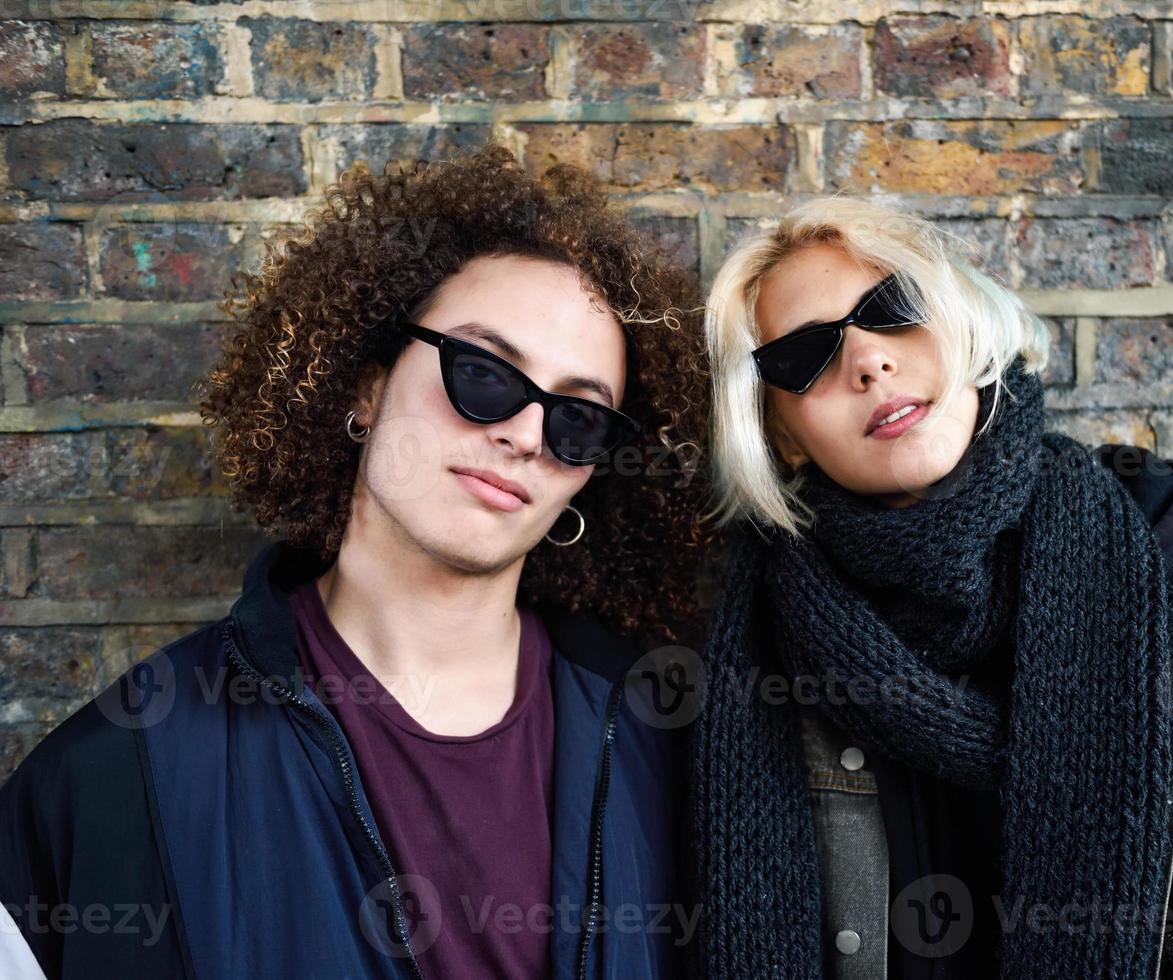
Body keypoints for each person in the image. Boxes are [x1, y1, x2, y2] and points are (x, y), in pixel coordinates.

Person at [0, 145, 712, 980]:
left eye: (578, 421)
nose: (524, 433)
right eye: (483, 374)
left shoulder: (675, 751)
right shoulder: (121, 770)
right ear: (366, 390)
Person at [688, 196, 1173, 978]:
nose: (867, 362)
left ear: (962, 319)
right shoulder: (749, 633)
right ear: (777, 429)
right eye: (803, 357)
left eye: (894, 308)